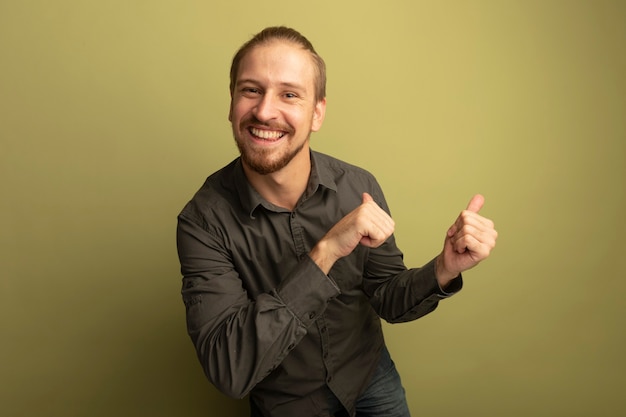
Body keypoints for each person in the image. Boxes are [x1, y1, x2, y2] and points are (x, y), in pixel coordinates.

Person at [176, 26, 497, 417]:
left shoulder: (358, 187)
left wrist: (445, 269)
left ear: (317, 113)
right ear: (231, 103)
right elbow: (229, 370)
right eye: (251, 90)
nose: (264, 111)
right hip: (288, 404)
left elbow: (388, 299)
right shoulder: (203, 222)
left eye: (289, 94)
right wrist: (325, 253)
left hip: (371, 380)